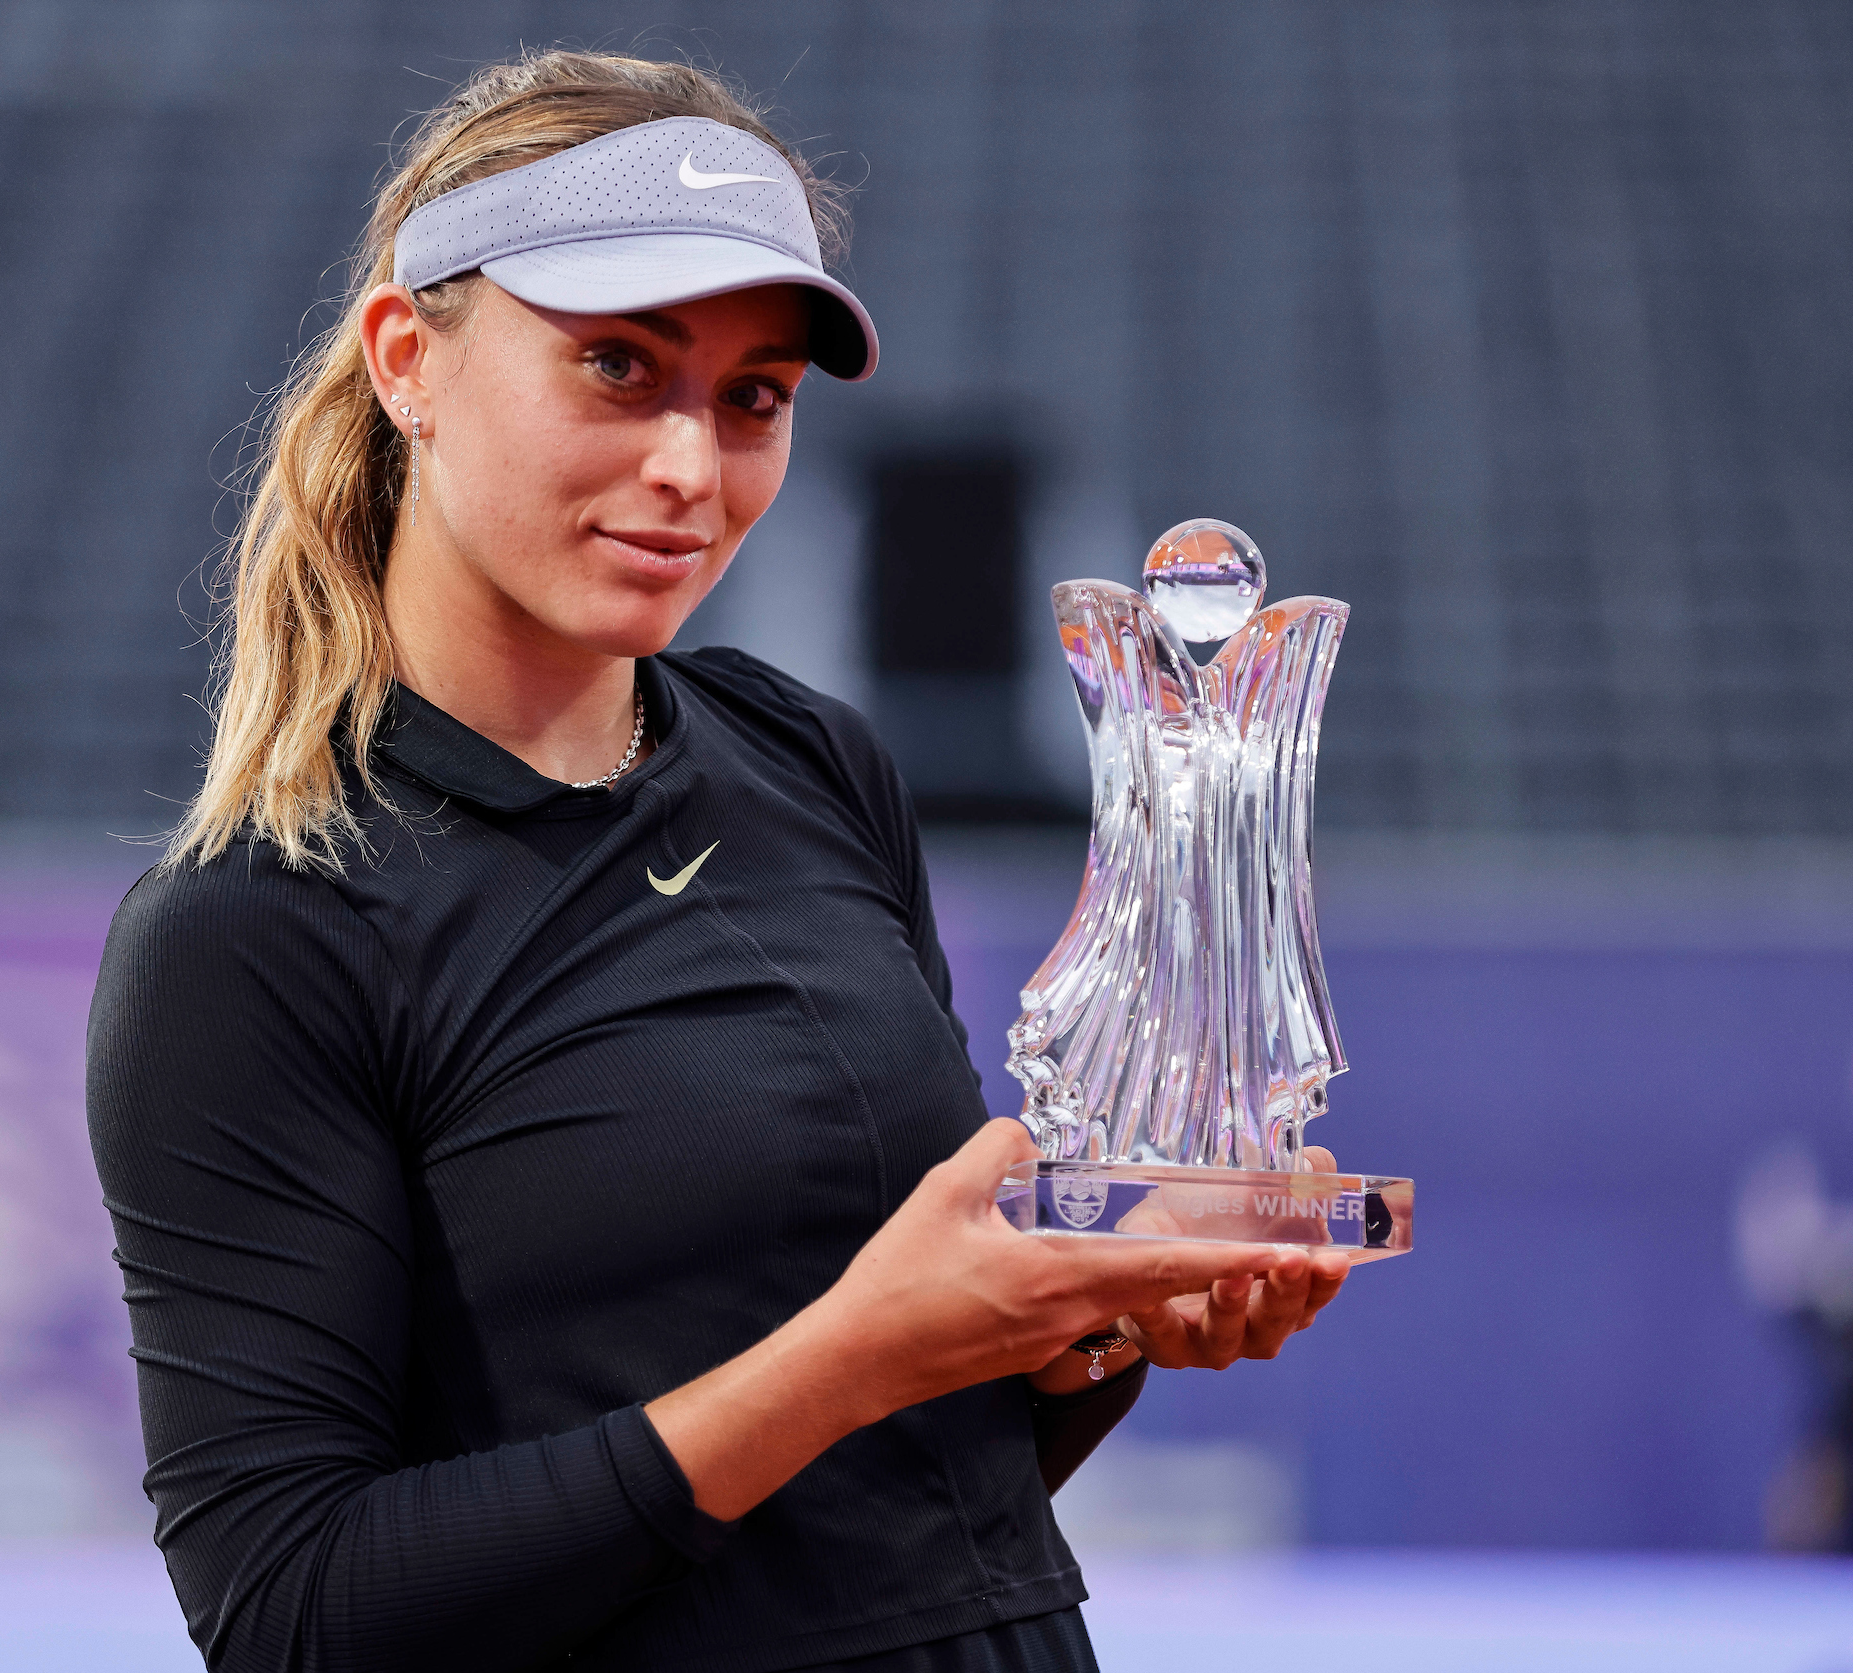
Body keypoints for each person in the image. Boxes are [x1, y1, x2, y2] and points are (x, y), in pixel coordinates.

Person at [87, 49, 1349, 1673]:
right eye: (619, 365)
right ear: (408, 359)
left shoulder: (809, 757)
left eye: (753, 396)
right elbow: (293, 1614)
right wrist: (853, 1353)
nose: (693, 466)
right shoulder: (255, 930)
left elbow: (912, 1506)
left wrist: (1097, 1331)